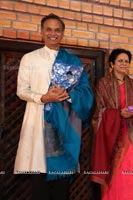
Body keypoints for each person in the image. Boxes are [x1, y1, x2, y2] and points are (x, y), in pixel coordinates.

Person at [14, 13, 94, 200]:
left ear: (62, 33)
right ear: (41, 32)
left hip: (64, 126)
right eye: (48, 29)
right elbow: (21, 90)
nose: (53, 33)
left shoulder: (73, 61)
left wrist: (69, 95)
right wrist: (43, 97)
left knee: (61, 187)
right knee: (38, 183)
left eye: (57, 30)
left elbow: (86, 91)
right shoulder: (30, 58)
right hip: (37, 123)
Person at [91, 48, 133, 200]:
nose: (124, 64)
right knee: (113, 176)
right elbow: (99, 110)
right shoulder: (104, 84)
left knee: (128, 172)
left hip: (130, 136)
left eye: (126, 61)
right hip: (110, 136)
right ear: (112, 64)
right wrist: (117, 114)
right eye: (120, 61)